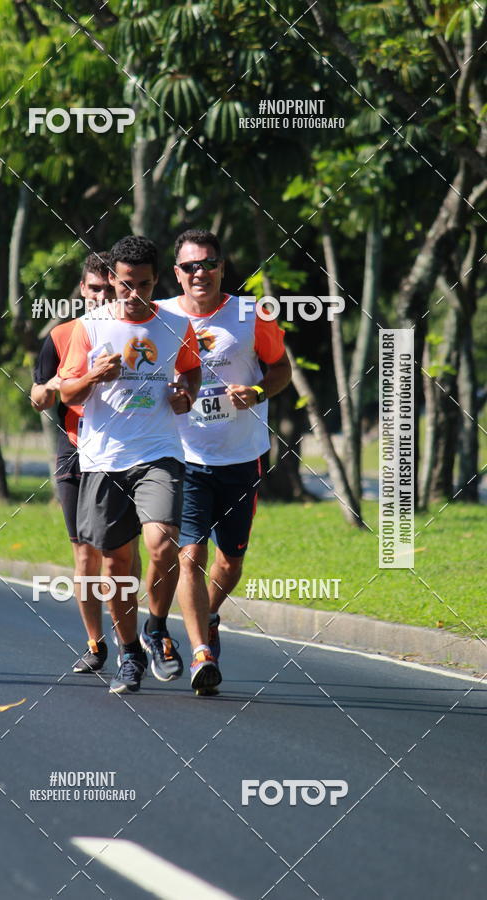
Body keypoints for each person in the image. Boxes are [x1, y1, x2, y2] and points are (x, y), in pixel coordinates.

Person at [59, 235, 201, 694]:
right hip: (103, 459)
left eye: (143, 284)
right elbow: (66, 391)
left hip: (158, 452)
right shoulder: (90, 327)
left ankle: (155, 626)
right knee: (117, 561)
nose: (133, 294)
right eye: (125, 285)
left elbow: (191, 369)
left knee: (163, 543)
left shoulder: (176, 324)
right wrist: (94, 375)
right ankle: (129, 652)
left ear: (156, 281)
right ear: (113, 279)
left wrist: (186, 394)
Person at [158, 229, 291, 693]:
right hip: (184, 456)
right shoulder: (160, 317)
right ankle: (202, 654)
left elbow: (281, 370)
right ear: (177, 273)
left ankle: (208, 614)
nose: (200, 272)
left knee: (230, 564)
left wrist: (256, 392)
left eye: (208, 263)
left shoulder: (251, 314)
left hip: (241, 456)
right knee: (190, 554)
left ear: (221, 267)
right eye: (190, 266)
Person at [31, 252, 119, 673]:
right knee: (85, 555)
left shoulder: (136, 331)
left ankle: (128, 635)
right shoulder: (62, 335)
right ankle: (95, 643)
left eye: (109, 289)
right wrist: (51, 386)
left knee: (120, 550)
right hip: (75, 449)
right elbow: (37, 398)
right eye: (94, 288)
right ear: (83, 289)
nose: (102, 297)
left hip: (121, 450)